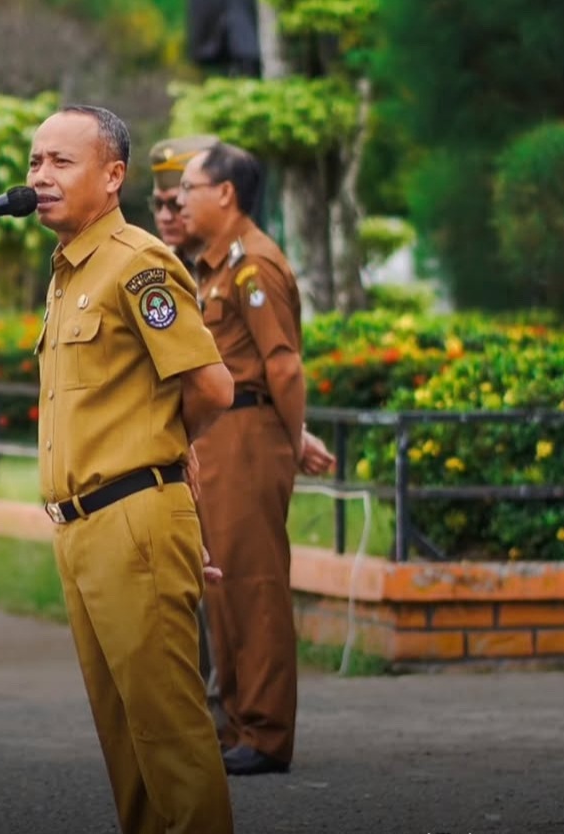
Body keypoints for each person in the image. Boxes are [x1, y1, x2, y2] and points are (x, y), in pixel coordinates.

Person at [28, 104, 236, 834]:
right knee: (125, 740)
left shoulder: (137, 262)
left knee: (168, 735)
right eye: (35, 161)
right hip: (81, 528)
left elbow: (211, 387)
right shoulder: (68, 272)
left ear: (113, 176)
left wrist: (167, 459)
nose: (41, 176)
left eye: (62, 162)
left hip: (131, 520)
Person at [177, 142, 335, 777]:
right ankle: (237, 723)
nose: (178, 202)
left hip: (248, 434)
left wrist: (290, 442)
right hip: (219, 436)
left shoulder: (254, 264)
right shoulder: (216, 264)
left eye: (188, 189)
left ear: (225, 193)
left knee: (255, 584)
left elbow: (284, 366)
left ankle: (266, 732)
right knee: (223, 585)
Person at [149, 134, 228, 725]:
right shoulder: (152, 268)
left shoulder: (228, 267)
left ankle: (227, 711)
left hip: (218, 442)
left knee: (226, 578)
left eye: (179, 201)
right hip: (180, 450)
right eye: (159, 204)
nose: (169, 214)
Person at [148, 135, 221, 273]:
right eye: (158, 204)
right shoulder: (159, 265)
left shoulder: (237, 263)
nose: (165, 217)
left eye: (176, 204)